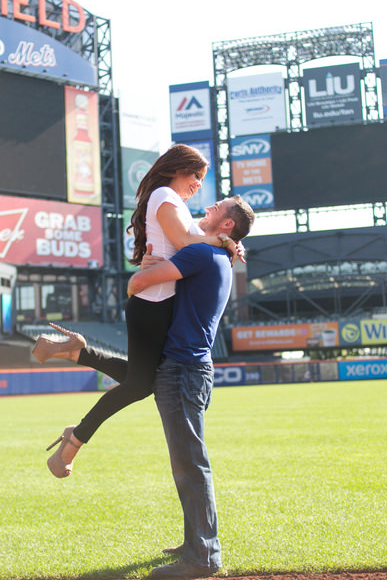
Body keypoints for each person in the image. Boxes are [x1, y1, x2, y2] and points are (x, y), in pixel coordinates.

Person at [39, 144, 240, 478]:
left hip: (159, 303)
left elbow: (189, 239)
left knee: (144, 379)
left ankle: (79, 354)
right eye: (195, 176)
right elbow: (188, 243)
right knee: (140, 385)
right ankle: (73, 440)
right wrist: (224, 241)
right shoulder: (164, 195)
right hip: (152, 305)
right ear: (178, 169)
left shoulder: (173, 202)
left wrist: (228, 239)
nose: (198, 185)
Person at [127, 195, 255, 579]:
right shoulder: (216, 254)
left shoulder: (201, 254)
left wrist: (150, 267)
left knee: (190, 464)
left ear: (228, 225)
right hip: (191, 370)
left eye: (219, 207)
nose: (210, 205)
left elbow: (137, 283)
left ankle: (203, 558)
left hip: (183, 370)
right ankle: (195, 544)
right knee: (187, 462)